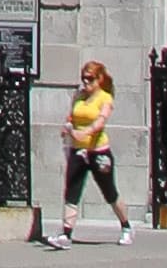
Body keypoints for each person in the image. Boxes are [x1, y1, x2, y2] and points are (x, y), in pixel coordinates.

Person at [52, 57, 137, 241]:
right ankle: (66, 234)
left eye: (90, 79)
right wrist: (67, 126)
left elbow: (101, 120)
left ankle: (126, 226)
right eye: (84, 78)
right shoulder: (80, 96)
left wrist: (88, 131)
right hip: (78, 150)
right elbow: (72, 116)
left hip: (98, 152)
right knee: (72, 191)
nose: (86, 82)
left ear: (99, 79)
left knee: (109, 192)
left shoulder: (104, 98)